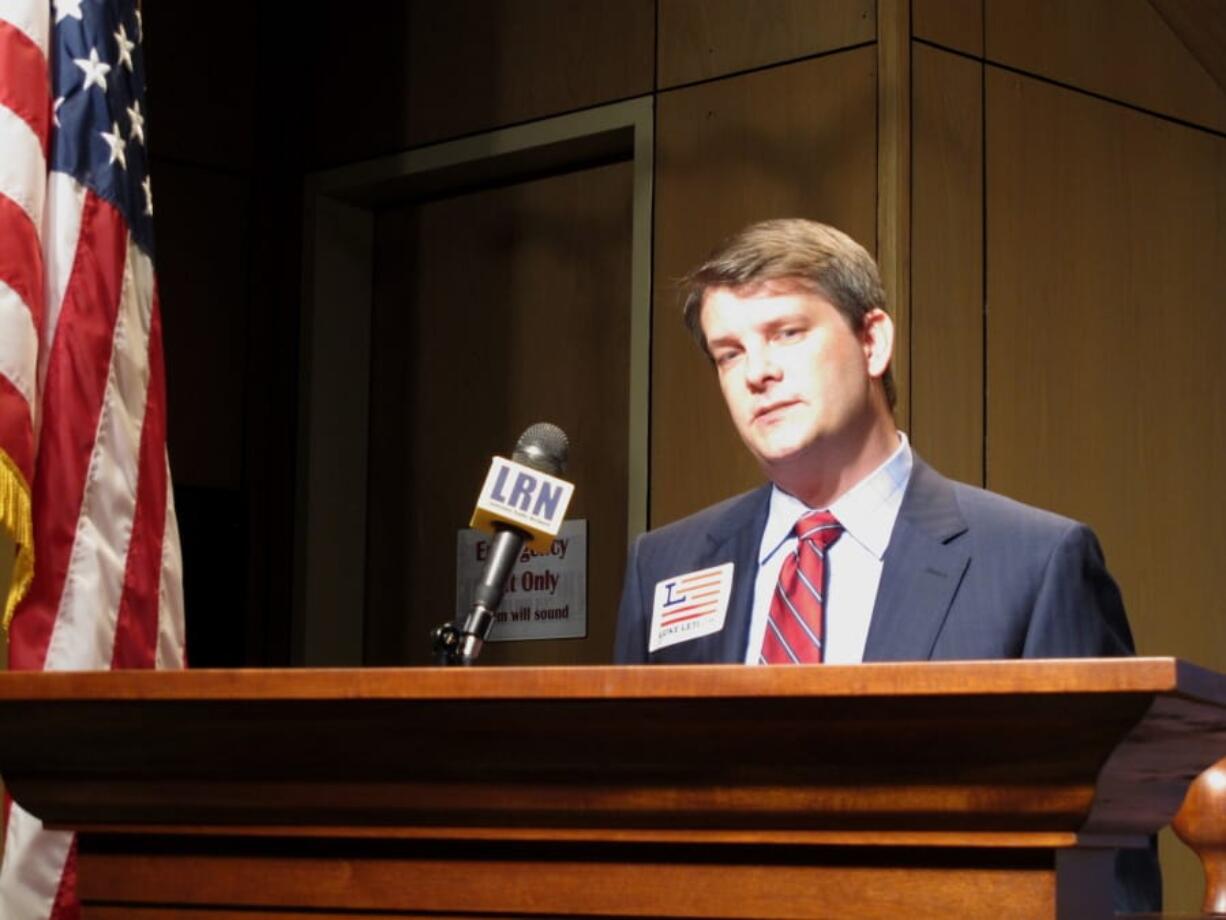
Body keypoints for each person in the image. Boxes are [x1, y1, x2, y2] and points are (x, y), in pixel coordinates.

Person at [612, 218, 1159, 911]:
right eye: (728, 353)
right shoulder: (663, 565)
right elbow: (628, 822)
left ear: (873, 341)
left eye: (787, 333)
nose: (757, 372)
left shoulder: (1035, 562)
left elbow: (1109, 862)